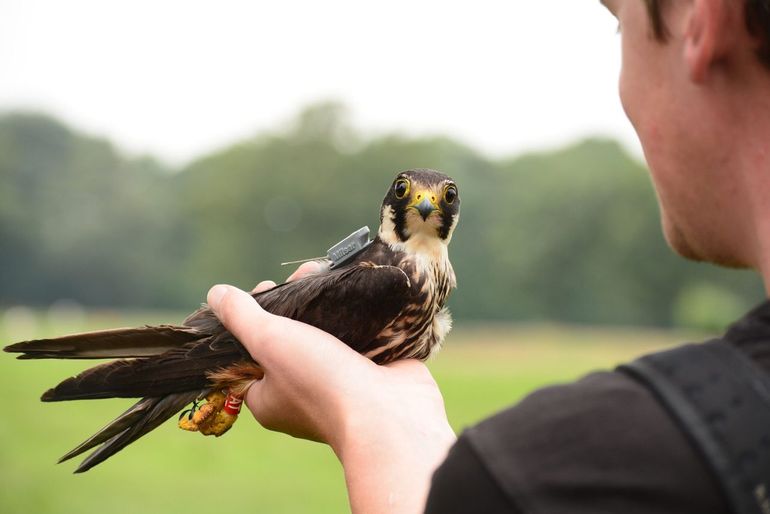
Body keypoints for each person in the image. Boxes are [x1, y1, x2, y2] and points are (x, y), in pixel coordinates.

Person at [204, 1, 770, 512]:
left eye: (621, 22)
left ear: (707, 21)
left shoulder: (555, 478)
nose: (425, 203)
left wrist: (366, 425)